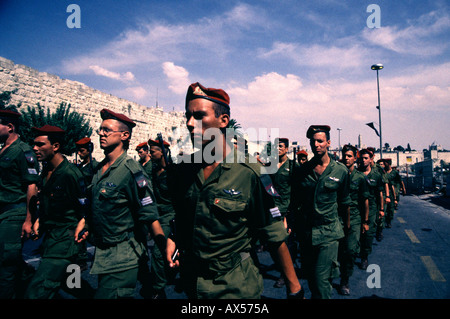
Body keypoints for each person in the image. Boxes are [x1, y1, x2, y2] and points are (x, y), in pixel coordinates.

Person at [166, 82, 302, 299]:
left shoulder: (250, 172)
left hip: (235, 287)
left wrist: (294, 288)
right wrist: (173, 238)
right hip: (193, 283)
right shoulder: (184, 170)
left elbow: (274, 235)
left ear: (223, 121)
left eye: (199, 116)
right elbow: (179, 214)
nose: (191, 124)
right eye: (188, 116)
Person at [89, 108, 165, 299]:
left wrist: (164, 246)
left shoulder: (131, 171)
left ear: (124, 135)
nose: (101, 133)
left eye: (107, 130)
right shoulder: (100, 168)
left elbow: (149, 213)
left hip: (122, 255)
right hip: (103, 253)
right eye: (100, 129)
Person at [24, 125, 90, 299]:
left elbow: (85, 208)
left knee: (38, 290)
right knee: (70, 286)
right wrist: (39, 221)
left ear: (55, 146)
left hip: (65, 241)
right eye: (34, 144)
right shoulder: (46, 170)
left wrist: (82, 231)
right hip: (50, 238)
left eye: (40, 145)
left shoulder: (70, 174)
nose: (35, 148)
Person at [290, 125, 351, 299]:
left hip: (329, 233)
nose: (316, 145)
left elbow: (345, 203)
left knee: (321, 280)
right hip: (307, 233)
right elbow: (295, 202)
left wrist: (346, 229)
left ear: (328, 143)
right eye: (313, 141)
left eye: (320, 141)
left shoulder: (340, 171)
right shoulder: (302, 171)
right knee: (310, 278)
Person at [0, 109, 40, 298]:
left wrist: (28, 219)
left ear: (9, 127)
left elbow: (31, 185)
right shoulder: (3, 149)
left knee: (6, 263)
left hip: (14, 212)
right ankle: (28, 280)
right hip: (3, 211)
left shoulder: (23, 151)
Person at [337, 144, 369, 295]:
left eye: (350, 156)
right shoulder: (337, 175)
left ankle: (345, 279)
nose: (347, 158)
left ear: (355, 158)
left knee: (350, 250)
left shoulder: (360, 177)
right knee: (337, 250)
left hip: (355, 218)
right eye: (345, 155)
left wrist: (365, 221)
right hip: (338, 217)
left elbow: (365, 201)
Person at [147, 137, 175, 299]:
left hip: (170, 215)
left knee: (158, 251)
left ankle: (158, 289)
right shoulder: (153, 170)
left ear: (162, 152)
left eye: (153, 151)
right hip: (156, 214)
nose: (150, 154)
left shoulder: (173, 172)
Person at [269, 137, 298, 288]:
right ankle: (281, 268)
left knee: (287, 243)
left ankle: (284, 275)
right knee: (274, 242)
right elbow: (267, 184)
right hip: (273, 208)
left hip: (287, 209)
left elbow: (297, 191)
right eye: (276, 146)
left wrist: (290, 216)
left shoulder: (293, 166)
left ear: (286, 149)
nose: (278, 149)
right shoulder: (271, 164)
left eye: (280, 146)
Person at [358, 149, 384, 270]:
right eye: (362, 158)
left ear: (371, 160)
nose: (363, 160)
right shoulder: (356, 174)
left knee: (368, 233)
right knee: (357, 232)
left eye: (366, 158)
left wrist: (381, 209)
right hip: (358, 207)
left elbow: (380, 194)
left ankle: (364, 256)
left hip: (372, 207)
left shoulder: (376, 176)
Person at [380, 159, 402, 228]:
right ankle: (383, 224)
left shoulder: (394, 172)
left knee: (391, 209)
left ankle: (389, 221)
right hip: (383, 194)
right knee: (384, 210)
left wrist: (401, 189)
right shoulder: (382, 173)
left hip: (391, 193)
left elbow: (399, 181)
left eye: (384, 163)